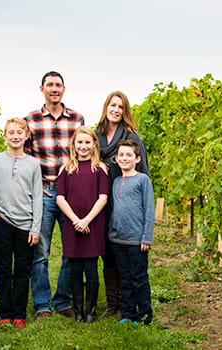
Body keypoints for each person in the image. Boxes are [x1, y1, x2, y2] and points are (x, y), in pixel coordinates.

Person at [24, 71, 84, 318]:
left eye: (58, 85)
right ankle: (41, 305)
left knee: (72, 249)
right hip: (45, 192)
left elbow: (83, 150)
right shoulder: (31, 120)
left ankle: (62, 301)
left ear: (64, 89)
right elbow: (26, 157)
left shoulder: (77, 119)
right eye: (50, 85)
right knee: (40, 251)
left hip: (71, 193)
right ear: (42, 89)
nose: (54, 88)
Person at [0, 118, 42, 329]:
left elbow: (37, 197)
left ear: (26, 136)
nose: (15, 136)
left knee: (23, 271)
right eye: (11, 132)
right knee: (4, 268)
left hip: (26, 225)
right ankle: (4, 313)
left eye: (19, 132)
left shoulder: (34, 163)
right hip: (3, 222)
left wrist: (35, 227)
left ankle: (19, 315)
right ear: (5, 136)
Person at [95, 91, 149, 318]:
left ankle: (129, 305)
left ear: (125, 110)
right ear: (106, 107)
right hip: (99, 202)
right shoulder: (96, 136)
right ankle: (113, 303)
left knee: (125, 257)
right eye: (112, 105)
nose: (115, 110)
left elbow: (143, 172)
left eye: (120, 106)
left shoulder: (131, 137)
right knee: (107, 253)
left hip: (123, 204)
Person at [56, 126, 108, 323]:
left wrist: (86, 220)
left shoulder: (99, 168)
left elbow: (103, 198)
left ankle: (90, 311)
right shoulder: (66, 169)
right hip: (72, 224)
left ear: (94, 144)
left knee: (91, 269)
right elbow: (60, 198)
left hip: (93, 224)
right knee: (75, 269)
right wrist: (76, 221)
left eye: (88, 142)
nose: (84, 146)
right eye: (80, 142)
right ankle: (78, 311)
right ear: (74, 145)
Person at [109, 139, 154, 325]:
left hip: (137, 241)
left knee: (139, 279)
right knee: (125, 279)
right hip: (118, 240)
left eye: (129, 155)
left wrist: (146, 237)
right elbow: (114, 209)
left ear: (137, 159)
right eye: (121, 155)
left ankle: (143, 314)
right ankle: (128, 313)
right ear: (116, 158)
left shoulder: (143, 180)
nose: (124, 158)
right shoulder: (116, 181)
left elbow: (149, 211)